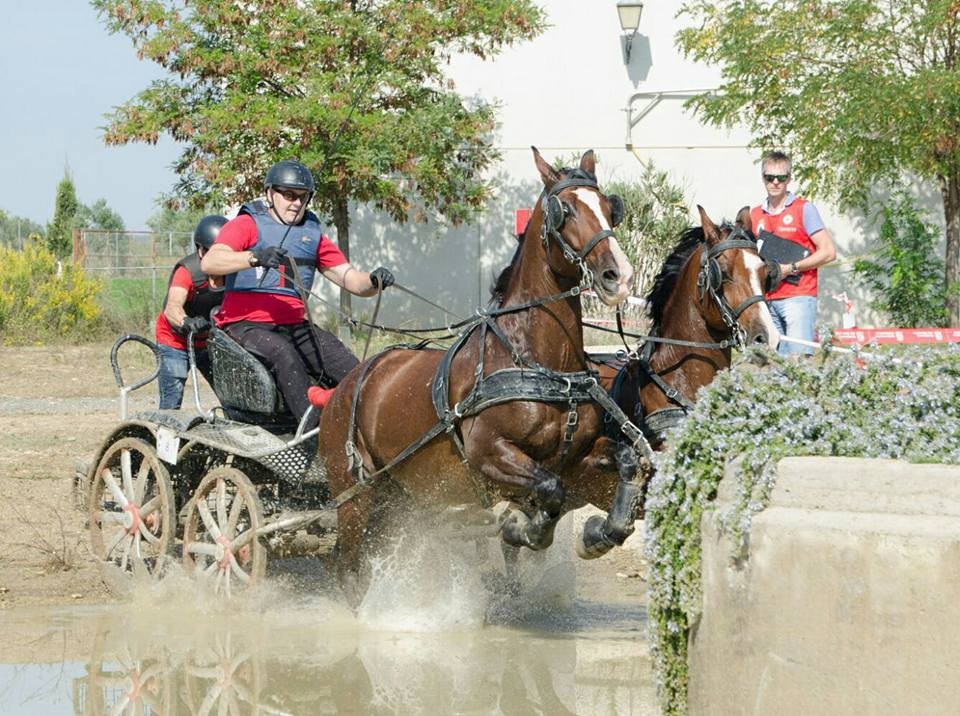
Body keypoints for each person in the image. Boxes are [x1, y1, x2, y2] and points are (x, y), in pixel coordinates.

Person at [200, 159, 395, 427]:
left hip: (294, 325)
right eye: (289, 195)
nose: (296, 203)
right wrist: (254, 257)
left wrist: (374, 281)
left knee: (348, 364)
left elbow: (350, 279)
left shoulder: (312, 234)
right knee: (283, 354)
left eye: (303, 197)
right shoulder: (247, 224)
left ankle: (364, 426)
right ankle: (311, 431)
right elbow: (210, 262)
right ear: (270, 194)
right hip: (244, 325)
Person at [750, 151, 836, 355]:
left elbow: (829, 252)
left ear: (789, 178)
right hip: (767, 299)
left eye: (781, 177)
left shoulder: (804, 209)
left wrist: (792, 267)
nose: (775, 182)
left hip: (798, 297)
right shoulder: (755, 214)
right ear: (763, 178)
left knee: (798, 362)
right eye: (770, 177)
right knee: (774, 364)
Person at [155, 215, 229, 409]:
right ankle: (166, 427)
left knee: (232, 392)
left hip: (211, 341)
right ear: (201, 250)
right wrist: (187, 322)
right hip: (176, 340)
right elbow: (172, 308)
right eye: (215, 253)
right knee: (172, 398)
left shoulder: (234, 272)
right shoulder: (188, 271)